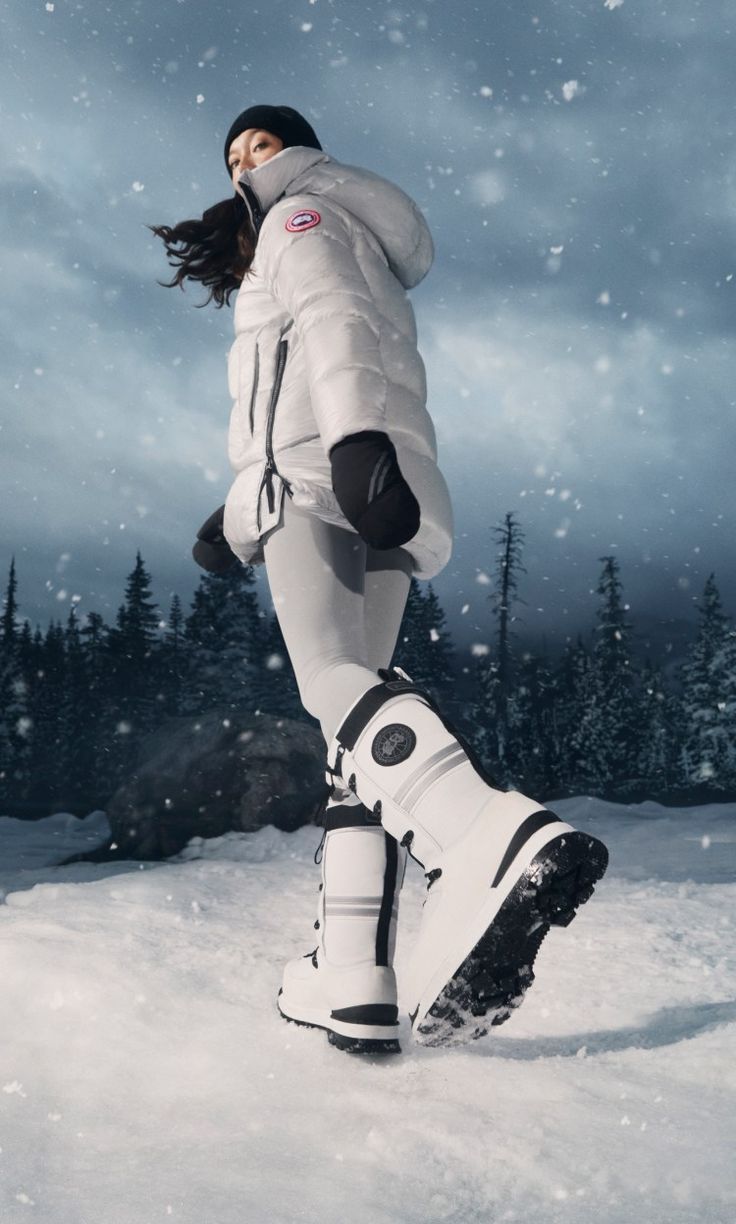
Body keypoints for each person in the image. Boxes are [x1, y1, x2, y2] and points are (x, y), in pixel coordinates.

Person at [152, 104, 608, 1055]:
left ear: (299, 150)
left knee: (329, 682)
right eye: (233, 154)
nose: (244, 164)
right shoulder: (355, 225)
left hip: (324, 481)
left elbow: (330, 331)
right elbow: (328, 355)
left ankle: (481, 833)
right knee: (348, 726)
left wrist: (347, 447)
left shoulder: (300, 217)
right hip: (375, 487)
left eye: (260, 147)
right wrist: (235, 515)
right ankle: (353, 974)